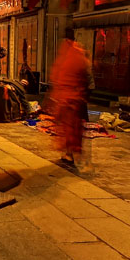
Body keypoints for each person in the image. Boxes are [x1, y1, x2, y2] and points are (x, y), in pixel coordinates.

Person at [49, 29, 91, 168]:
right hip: (76, 98)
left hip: (67, 98)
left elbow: (57, 75)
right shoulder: (79, 54)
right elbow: (85, 75)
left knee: (68, 129)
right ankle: (73, 152)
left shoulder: (68, 55)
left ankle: (69, 154)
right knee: (74, 128)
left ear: (67, 40)